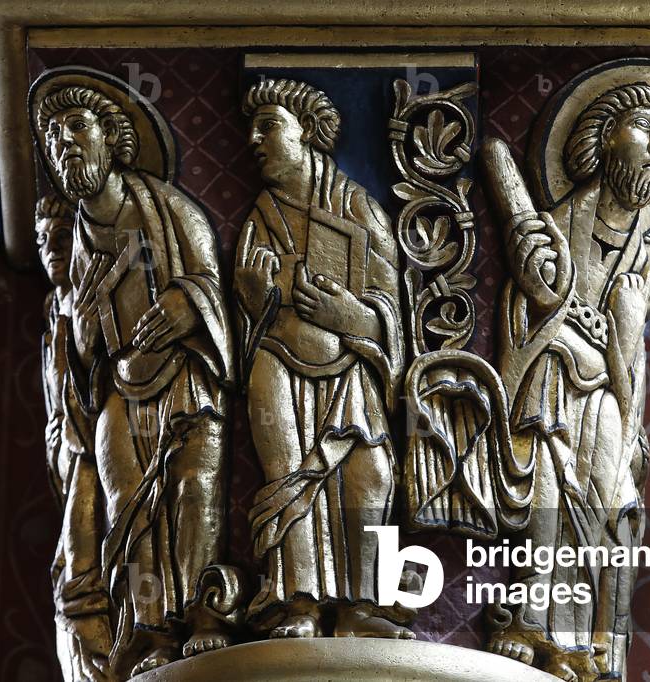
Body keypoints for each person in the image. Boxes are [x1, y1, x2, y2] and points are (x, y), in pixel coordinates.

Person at [32, 76, 237, 676]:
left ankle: (204, 615)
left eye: (76, 127)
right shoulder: (71, 241)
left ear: (113, 139)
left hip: (187, 378)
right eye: (51, 136)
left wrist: (186, 306)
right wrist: (84, 320)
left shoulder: (168, 209)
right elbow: (80, 361)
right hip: (122, 389)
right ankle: (151, 631)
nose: (62, 143)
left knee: (194, 488)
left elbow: (208, 281)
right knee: (128, 508)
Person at [487, 83, 650, 680]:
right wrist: (551, 309)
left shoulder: (649, 256)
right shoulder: (552, 228)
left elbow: (632, 327)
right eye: (643, 128)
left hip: (610, 405)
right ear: (600, 138)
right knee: (550, 493)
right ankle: (532, 624)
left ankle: (594, 644)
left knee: (612, 508)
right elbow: (529, 313)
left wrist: (622, 316)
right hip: (552, 390)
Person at [234, 78, 413, 640]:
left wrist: (353, 317)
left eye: (269, 126)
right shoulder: (259, 217)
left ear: (307, 132)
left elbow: (391, 311)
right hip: (279, 366)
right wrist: (253, 297)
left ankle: (364, 605)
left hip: (352, 368)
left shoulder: (360, 208)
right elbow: (243, 315)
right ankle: (299, 603)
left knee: (371, 472)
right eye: (251, 128)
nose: (252, 139)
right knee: (291, 478)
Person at [36, 193, 112, 681]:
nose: (50, 249)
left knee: (81, 568)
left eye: (60, 237)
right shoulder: (52, 316)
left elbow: (103, 379)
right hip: (69, 453)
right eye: (42, 240)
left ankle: (103, 662)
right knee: (69, 565)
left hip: (96, 448)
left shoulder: (91, 300)